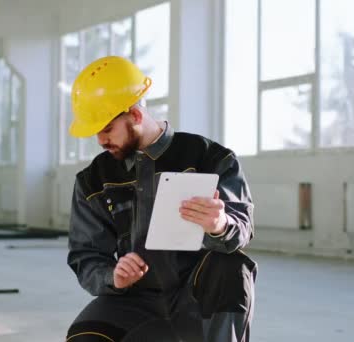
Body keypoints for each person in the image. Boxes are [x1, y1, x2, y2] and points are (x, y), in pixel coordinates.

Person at [66, 56, 257, 342]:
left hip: (198, 297)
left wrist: (220, 223)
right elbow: (86, 255)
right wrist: (113, 276)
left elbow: (241, 228)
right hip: (135, 300)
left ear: (136, 115)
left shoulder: (209, 158)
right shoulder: (93, 181)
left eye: (107, 129)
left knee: (230, 266)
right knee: (86, 337)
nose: (101, 141)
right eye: (97, 132)